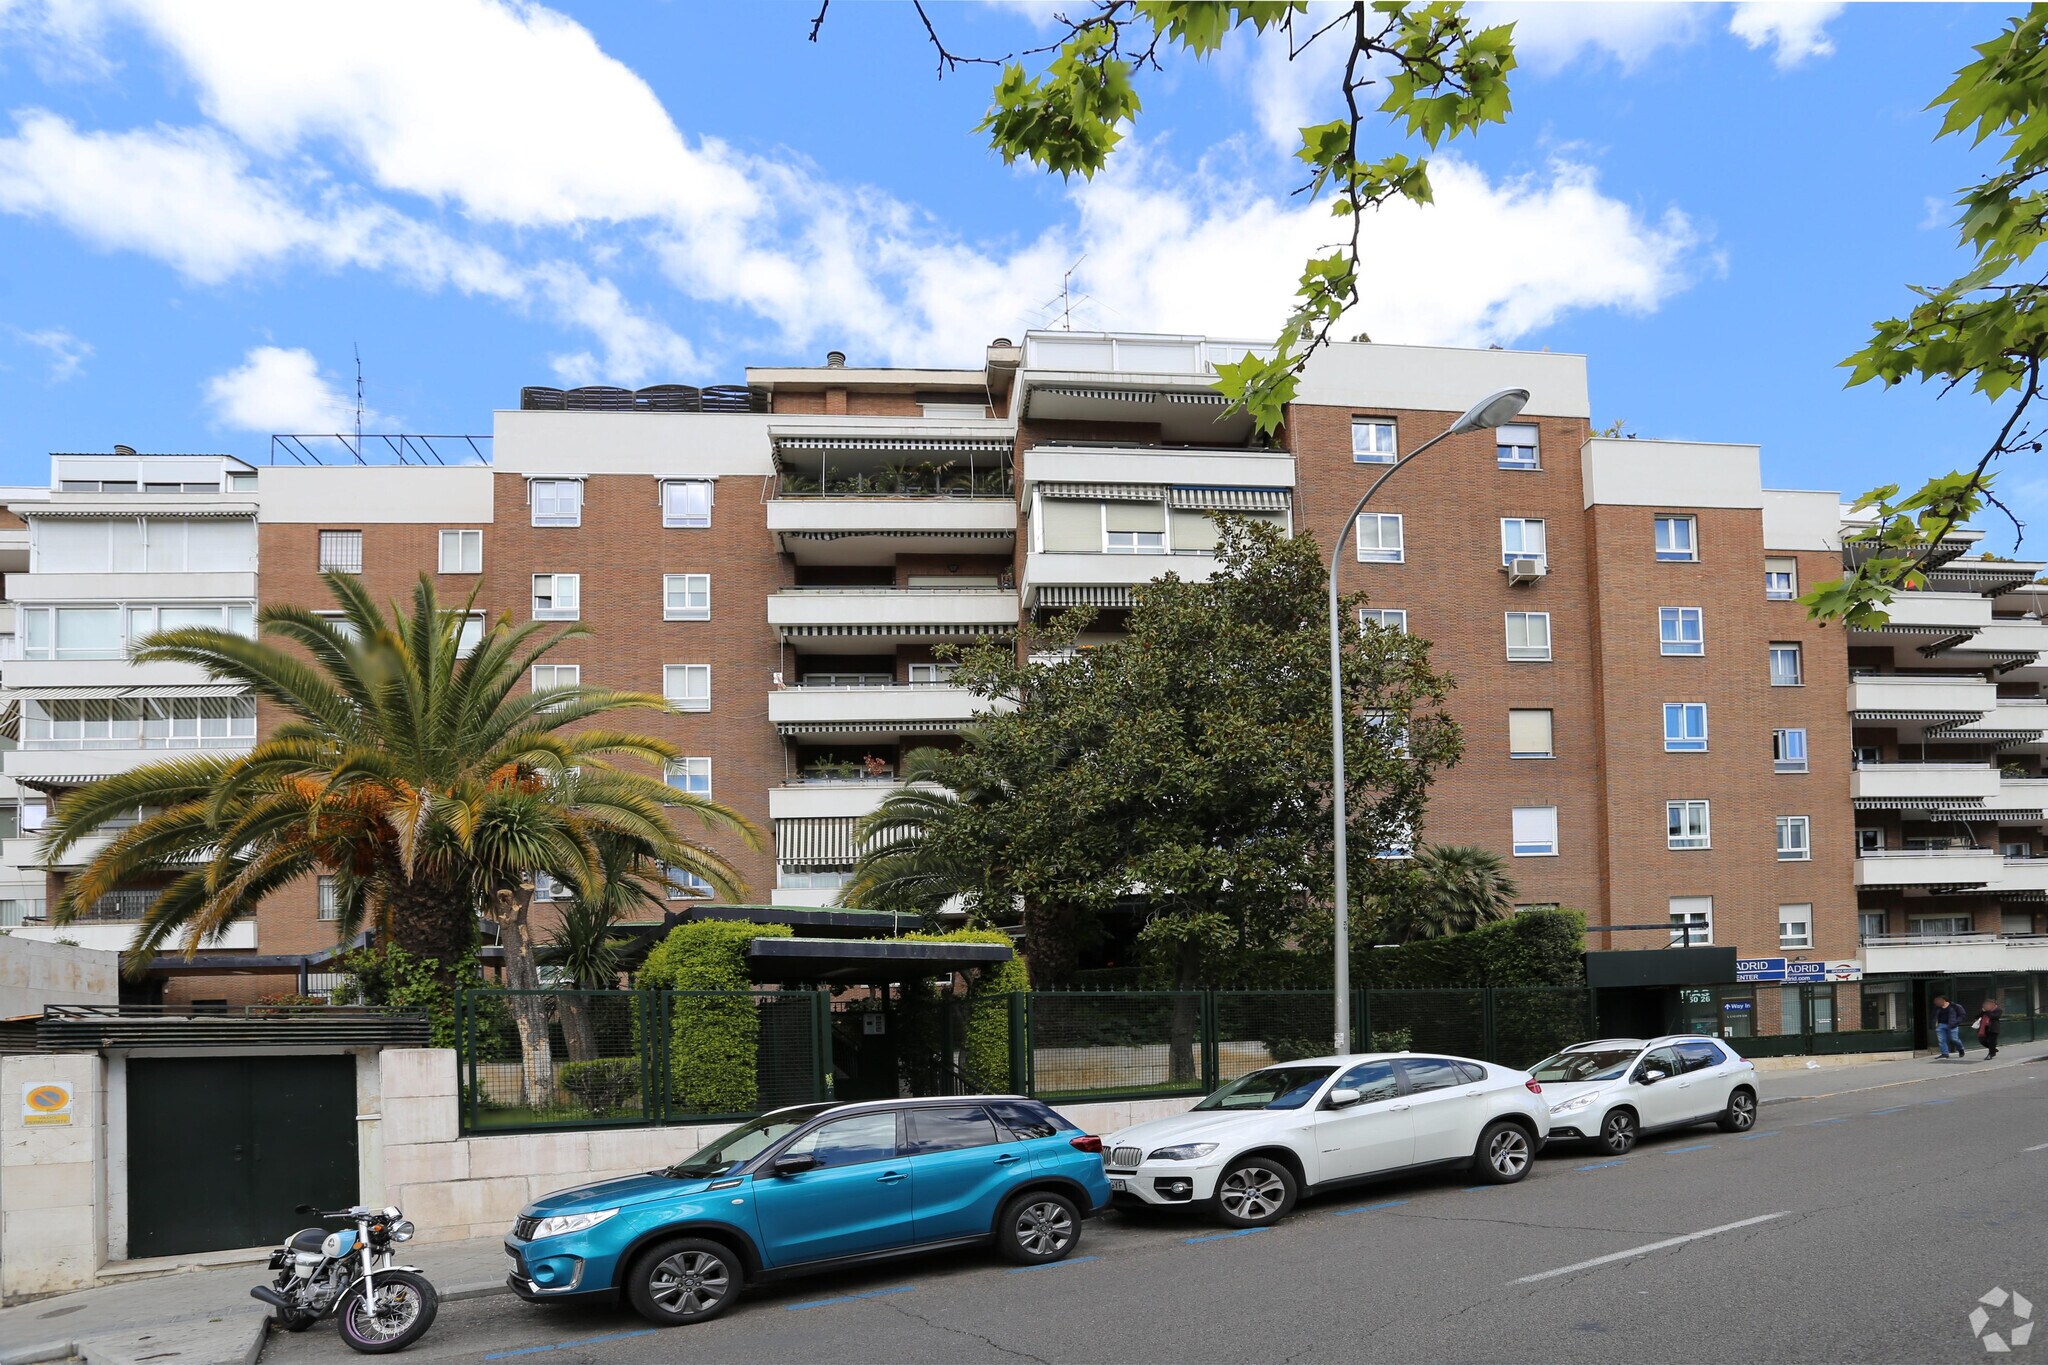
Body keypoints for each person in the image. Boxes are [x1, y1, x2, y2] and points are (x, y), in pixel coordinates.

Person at [1932, 995, 1967, 1059]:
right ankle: (1945, 1054)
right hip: (1940, 1025)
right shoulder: (1937, 1008)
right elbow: (1934, 1016)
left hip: (1952, 1025)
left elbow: (1962, 1015)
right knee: (1942, 1040)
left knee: (1954, 1039)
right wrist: (1934, 1024)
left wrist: (1956, 1022)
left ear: (1944, 1000)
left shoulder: (1955, 1006)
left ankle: (1960, 1049)